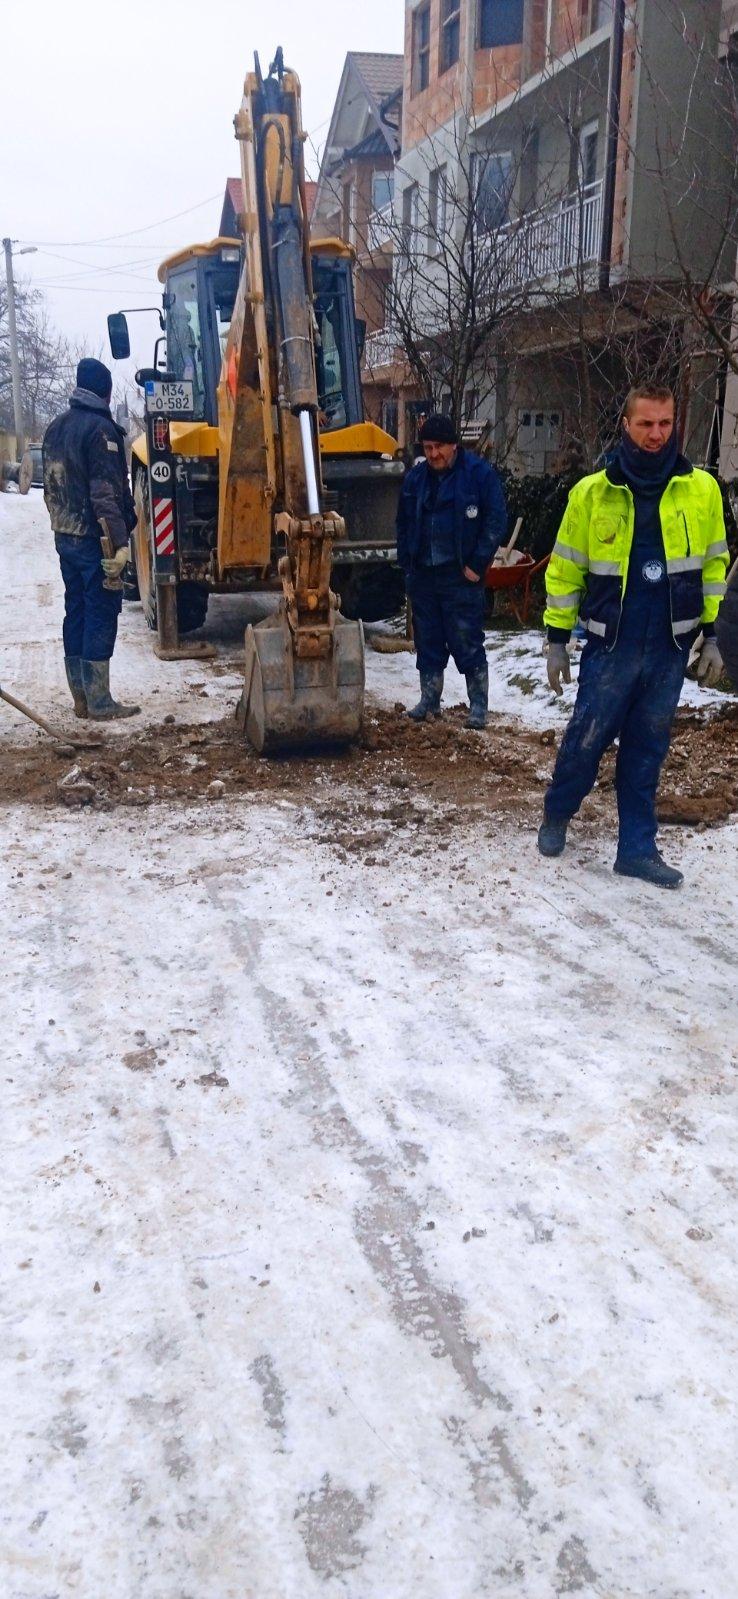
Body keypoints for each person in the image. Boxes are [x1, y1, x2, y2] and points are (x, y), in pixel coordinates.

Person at [538, 382, 728, 888]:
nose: (656, 434)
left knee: (647, 750)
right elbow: (564, 571)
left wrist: (712, 635)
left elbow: (713, 566)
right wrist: (557, 639)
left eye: (665, 423)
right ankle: (558, 812)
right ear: (625, 424)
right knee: (587, 740)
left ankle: (637, 850)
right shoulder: (593, 492)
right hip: (613, 644)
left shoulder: (701, 490)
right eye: (646, 423)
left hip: (668, 646)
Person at [396, 413, 507, 729]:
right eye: (428, 448)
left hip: (460, 576)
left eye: (439, 447)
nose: (433, 454)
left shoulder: (478, 475)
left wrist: (477, 563)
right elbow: (403, 524)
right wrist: (408, 564)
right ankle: (429, 701)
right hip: (424, 575)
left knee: (466, 638)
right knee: (428, 639)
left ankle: (478, 707)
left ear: (454, 445)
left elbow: (496, 520)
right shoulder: (416, 479)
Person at [42, 357, 139, 720]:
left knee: (76, 608)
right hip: (93, 540)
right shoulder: (100, 431)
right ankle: (99, 701)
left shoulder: (56, 428)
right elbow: (105, 495)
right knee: (101, 610)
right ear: (105, 390)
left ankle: (81, 698)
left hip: (65, 536)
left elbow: (52, 488)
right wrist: (118, 543)